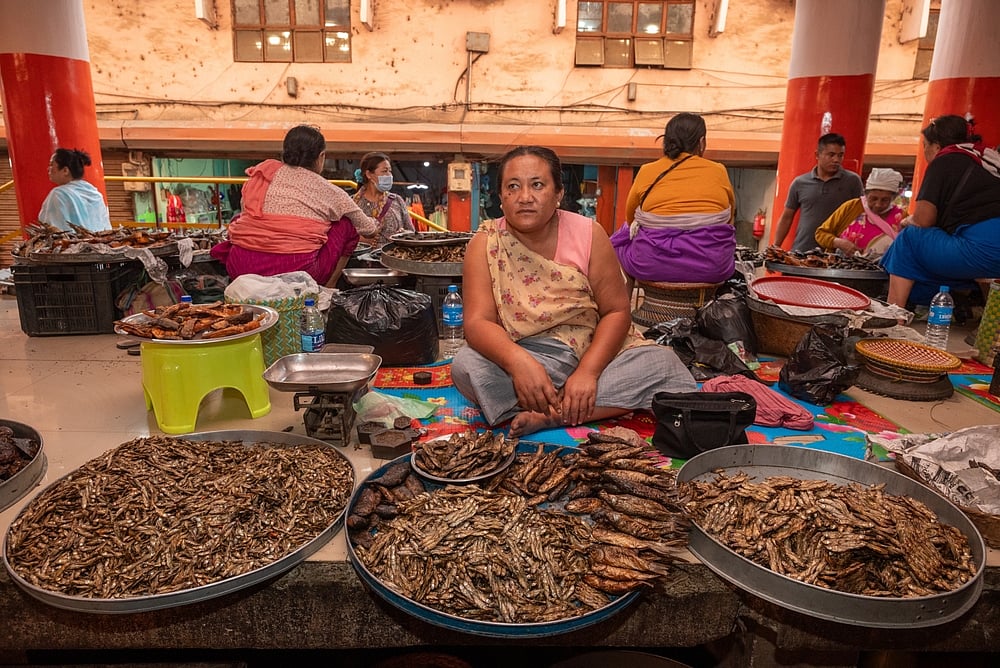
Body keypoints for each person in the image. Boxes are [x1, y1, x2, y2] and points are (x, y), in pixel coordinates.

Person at [451, 146, 697, 437]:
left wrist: (588, 373)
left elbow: (616, 312)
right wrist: (518, 363)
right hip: (526, 352)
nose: (525, 197)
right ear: (501, 198)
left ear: (558, 194)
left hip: (592, 350)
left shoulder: (588, 233)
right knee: (466, 366)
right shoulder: (485, 243)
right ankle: (566, 401)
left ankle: (555, 414)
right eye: (513, 187)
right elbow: (478, 323)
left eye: (538, 185)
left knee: (661, 364)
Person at [210, 125, 380, 288]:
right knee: (346, 224)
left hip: (241, 267)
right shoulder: (330, 191)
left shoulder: (260, 175)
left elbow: (246, 209)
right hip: (297, 273)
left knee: (241, 218)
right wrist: (375, 223)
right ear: (321, 157)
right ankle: (329, 286)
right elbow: (368, 230)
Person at [882, 115, 1000, 307]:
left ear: (936, 146)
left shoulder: (945, 159)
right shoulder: (989, 160)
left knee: (909, 238)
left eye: (925, 145)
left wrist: (906, 221)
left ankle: (894, 315)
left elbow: (923, 220)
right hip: (987, 251)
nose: (925, 151)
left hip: (982, 252)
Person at [610, 112, 736, 285]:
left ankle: (624, 306)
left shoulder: (647, 170)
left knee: (619, 242)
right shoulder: (718, 171)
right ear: (701, 142)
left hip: (650, 265)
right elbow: (729, 219)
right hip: (712, 267)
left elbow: (630, 218)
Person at [773, 133, 865, 252]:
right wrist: (775, 246)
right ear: (817, 155)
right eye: (831, 155)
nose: (836, 160)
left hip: (838, 254)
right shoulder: (800, 183)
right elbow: (787, 217)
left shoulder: (852, 181)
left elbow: (862, 215)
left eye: (840, 155)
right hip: (803, 251)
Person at [814, 168, 905, 256]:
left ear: (894, 198)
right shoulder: (851, 207)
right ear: (865, 194)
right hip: (844, 268)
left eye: (885, 200)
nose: (878, 204)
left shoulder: (901, 217)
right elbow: (821, 233)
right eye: (873, 198)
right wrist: (838, 243)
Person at [37, 148, 111, 233]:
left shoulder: (59, 194)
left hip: (72, 245)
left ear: (65, 170)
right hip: (103, 244)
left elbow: (51, 228)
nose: (48, 169)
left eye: (51, 165)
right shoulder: (95, 194)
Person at [351, 151, 414, 247]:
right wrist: (359, 239)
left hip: (392, 259)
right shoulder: (353, 203)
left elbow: (412, 232)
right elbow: (342, 235)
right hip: (361, 260)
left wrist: (404, 235)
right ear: (369, 174)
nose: (389, 175)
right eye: (384, 171)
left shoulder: (397, 201)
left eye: (390, 171)